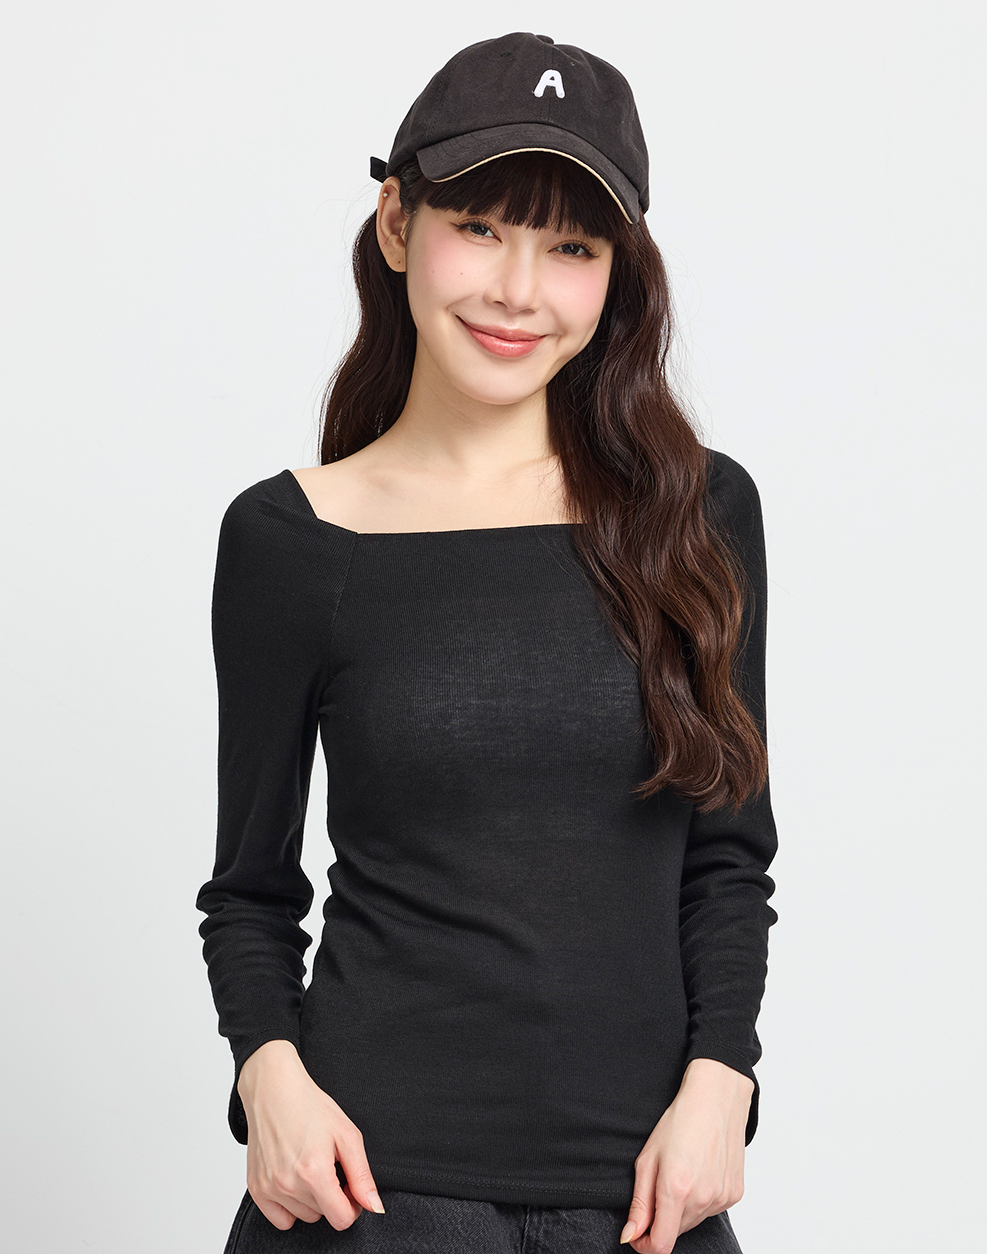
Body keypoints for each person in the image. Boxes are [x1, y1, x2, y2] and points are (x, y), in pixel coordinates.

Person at [195, 30, 779, 1254]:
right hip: (370, 1195)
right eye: (481, 227)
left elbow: (727, 856)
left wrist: (722, 1084)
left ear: (618, 273)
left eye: (572, 248)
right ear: (396, 225)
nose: (519, 290)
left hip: (645, 1199)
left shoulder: (696, 513)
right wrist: (270, 1080)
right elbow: (250, 889)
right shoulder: (294, 539)